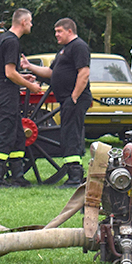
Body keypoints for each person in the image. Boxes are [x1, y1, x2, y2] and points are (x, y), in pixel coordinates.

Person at [21, 18, 91, 187]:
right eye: (56, 31)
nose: (56, 35)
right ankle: (73, 173)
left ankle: (75, 176)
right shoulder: (64, 50)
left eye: (59, 31)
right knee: (67, 134)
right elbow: (50, 72)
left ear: (69, 31)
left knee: (72, 135)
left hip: (75, 99)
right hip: (67, 99)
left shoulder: (79, 46)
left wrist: (74, 97)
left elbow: (84, 73)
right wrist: (29, 66)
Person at [0, 8, 41, 187]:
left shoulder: (2, 39)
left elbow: (5, 71)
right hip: (7, 92)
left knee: (18, 133)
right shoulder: (12, 42)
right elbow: (9, 73)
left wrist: (23, 77)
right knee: (6, 132)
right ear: (23, 22)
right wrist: (31, 86)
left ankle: (17, 174)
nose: (31, 25)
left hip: (3, 88)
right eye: (30, 21)